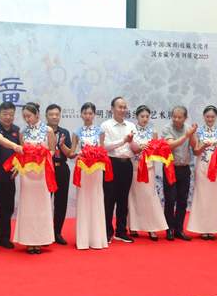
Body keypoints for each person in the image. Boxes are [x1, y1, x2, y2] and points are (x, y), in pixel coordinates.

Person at [13, 102, 57, 254]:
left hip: (42, 171)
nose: (27, 119)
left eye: (29, 116)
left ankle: (40, 240)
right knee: (28, 205)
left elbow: (52, 150)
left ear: (37, 114)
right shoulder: (22, 131)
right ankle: (28, 241)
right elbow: (21, 152)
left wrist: (41, 155)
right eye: (24, 117)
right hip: (27, 173)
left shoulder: (48, 130)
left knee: (41, 205)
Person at [70, 102, 108, 250]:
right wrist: (78, 153)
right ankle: (83, 240)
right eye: (85, 113)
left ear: (94, 115)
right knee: (84, 200)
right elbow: (72, 152)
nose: (87, 116)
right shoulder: (76, 132)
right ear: (81, 114)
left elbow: (103, 150)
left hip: (97, 169)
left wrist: (96, 154)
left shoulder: (100, 131)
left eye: (90, 113)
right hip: (83, 169)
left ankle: (97, 239)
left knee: (96, 199)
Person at [128, 105, 168, 241]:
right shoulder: (131, 131)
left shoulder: (153, 132)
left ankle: (152, 228)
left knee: (150, 197)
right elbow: (129, 148)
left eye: (147, 116)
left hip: (149, 168)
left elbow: (157, 151)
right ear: (137, 117)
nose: (145, 119)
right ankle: (133, 227)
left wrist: (150, 150)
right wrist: (139, 148)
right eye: (142, 116)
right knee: (133, 197)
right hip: (134, 167)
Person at [0, 101, 23, 249]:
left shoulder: (17, 130)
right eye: (5, 114)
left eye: (11, 114)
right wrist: (14, 146)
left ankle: (4, 237)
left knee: (7, 208)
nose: (8, 117)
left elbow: (21, 152)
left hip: (9, 177)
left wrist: (19, 167)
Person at [101, 97, 135, 243]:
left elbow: (134, 147)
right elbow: (105, 146)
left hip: (127, 164)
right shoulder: (105, 125)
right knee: (109, 199)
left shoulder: (131, 125)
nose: (122, 110)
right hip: (111, 164)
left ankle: (121, 231)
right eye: (119, 107)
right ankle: (107, 232)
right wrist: (123, 141)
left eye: (124, 107)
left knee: (123, 199)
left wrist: (139, 146)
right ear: (112, 109)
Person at [161, 106, 197, 241]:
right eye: (174, 116)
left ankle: (179, 229)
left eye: (179, 117)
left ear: (185, 118)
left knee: (182, 200)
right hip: (170, 168)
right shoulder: (167, 128)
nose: (176, 119)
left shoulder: (189, 128)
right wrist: (186, 135)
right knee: (170, 199)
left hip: (185, 168)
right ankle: (169, 229)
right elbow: (170, 145)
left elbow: (194, 146)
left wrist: (192, 134)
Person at [188, 105, 217, 240]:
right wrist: (204, 145)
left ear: (216, 117)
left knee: (214, 197)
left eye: (212, 117)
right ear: (204, 117)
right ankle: (202, 228)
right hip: (202, 166)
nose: (210, 119)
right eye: (208, 116)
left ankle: (212, 229)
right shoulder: (198, 132)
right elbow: (196, 151)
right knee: (202, 196)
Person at [46, 104, 72, 245]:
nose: (54, 117)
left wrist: (62, 145)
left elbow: (69, 154)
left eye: (57, 114)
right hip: (47, 169)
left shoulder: (64, 132)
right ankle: (45, 233)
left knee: (61, 202)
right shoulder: (42, 131)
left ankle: (57, 232)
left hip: (62, 169)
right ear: (46, 116)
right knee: (45, 201)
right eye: (51, 114)